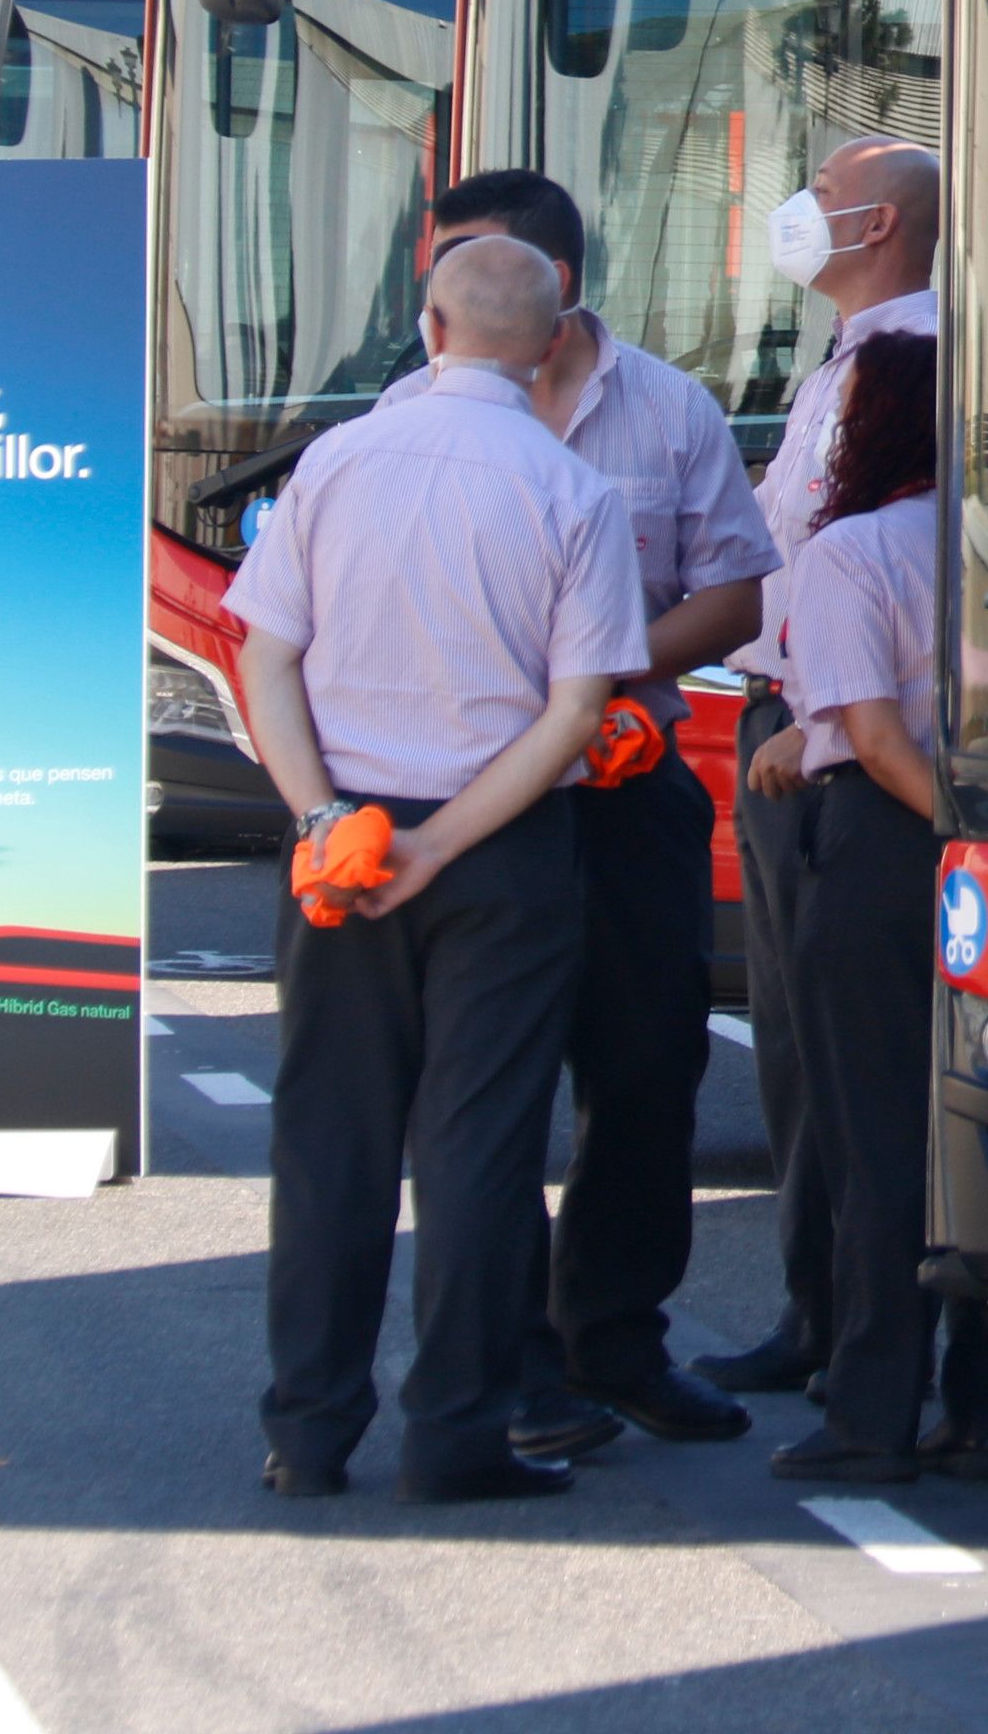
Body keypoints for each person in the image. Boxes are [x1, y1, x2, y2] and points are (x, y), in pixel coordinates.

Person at [230, 235, 647, 1504]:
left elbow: (264, 659)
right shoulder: (574, 494)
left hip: (342, 840)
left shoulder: (336, 463)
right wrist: (447, 841)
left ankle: (307, 1430)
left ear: (429, 328)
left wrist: (321, 819)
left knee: (331, 1141)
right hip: (502, 846)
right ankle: (458, 1430)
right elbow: (581, 711)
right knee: (480, 1146)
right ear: (555, 340)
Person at [386, 172, 778, 1459]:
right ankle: (514, 1362)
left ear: (561, 297)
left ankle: (618, 1339)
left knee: (647, 1068)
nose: (455, 304)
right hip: (475, 800)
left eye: (488, 278)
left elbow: (734, 600)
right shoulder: (410, 414)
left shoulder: (668, 410)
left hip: (620, 785)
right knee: (484, 1093)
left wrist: (595, 678)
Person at [739, 328, 988, 1478]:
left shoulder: (851, 551)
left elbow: (867, 730)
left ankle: (872, 1408)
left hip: (882, 847)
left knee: (874, 1139)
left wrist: (941, 822)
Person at [692, 133, 943, 1403]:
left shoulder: (907, 361)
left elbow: (848, 563)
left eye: (829, 195)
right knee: (793, 1040)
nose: (800, 212)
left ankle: (850, 1325)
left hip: (831, 734)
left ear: (883, 226)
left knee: (836, 1048)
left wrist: (815, 718)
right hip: (797, 715)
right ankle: (821, 1306)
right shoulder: (844, 359)